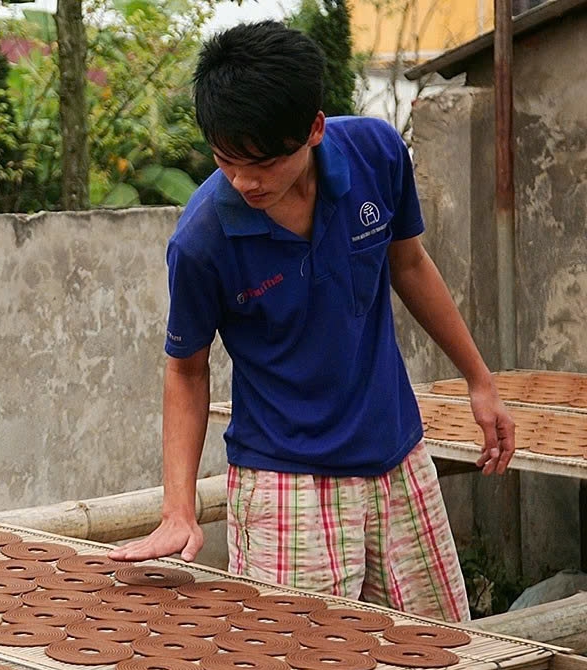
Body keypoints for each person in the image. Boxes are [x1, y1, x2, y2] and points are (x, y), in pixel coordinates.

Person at [107, 21, 515, 623]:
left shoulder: (376, 154)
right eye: (226, 161)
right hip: (286, 484)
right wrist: (178, 509)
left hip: (399, 460)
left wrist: (479, 380)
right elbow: (186, 371)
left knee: (444, 649)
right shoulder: (201, 240)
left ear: (314, 129)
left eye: (264, 163)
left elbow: (408, 263)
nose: (245, 182)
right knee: (297, 657)